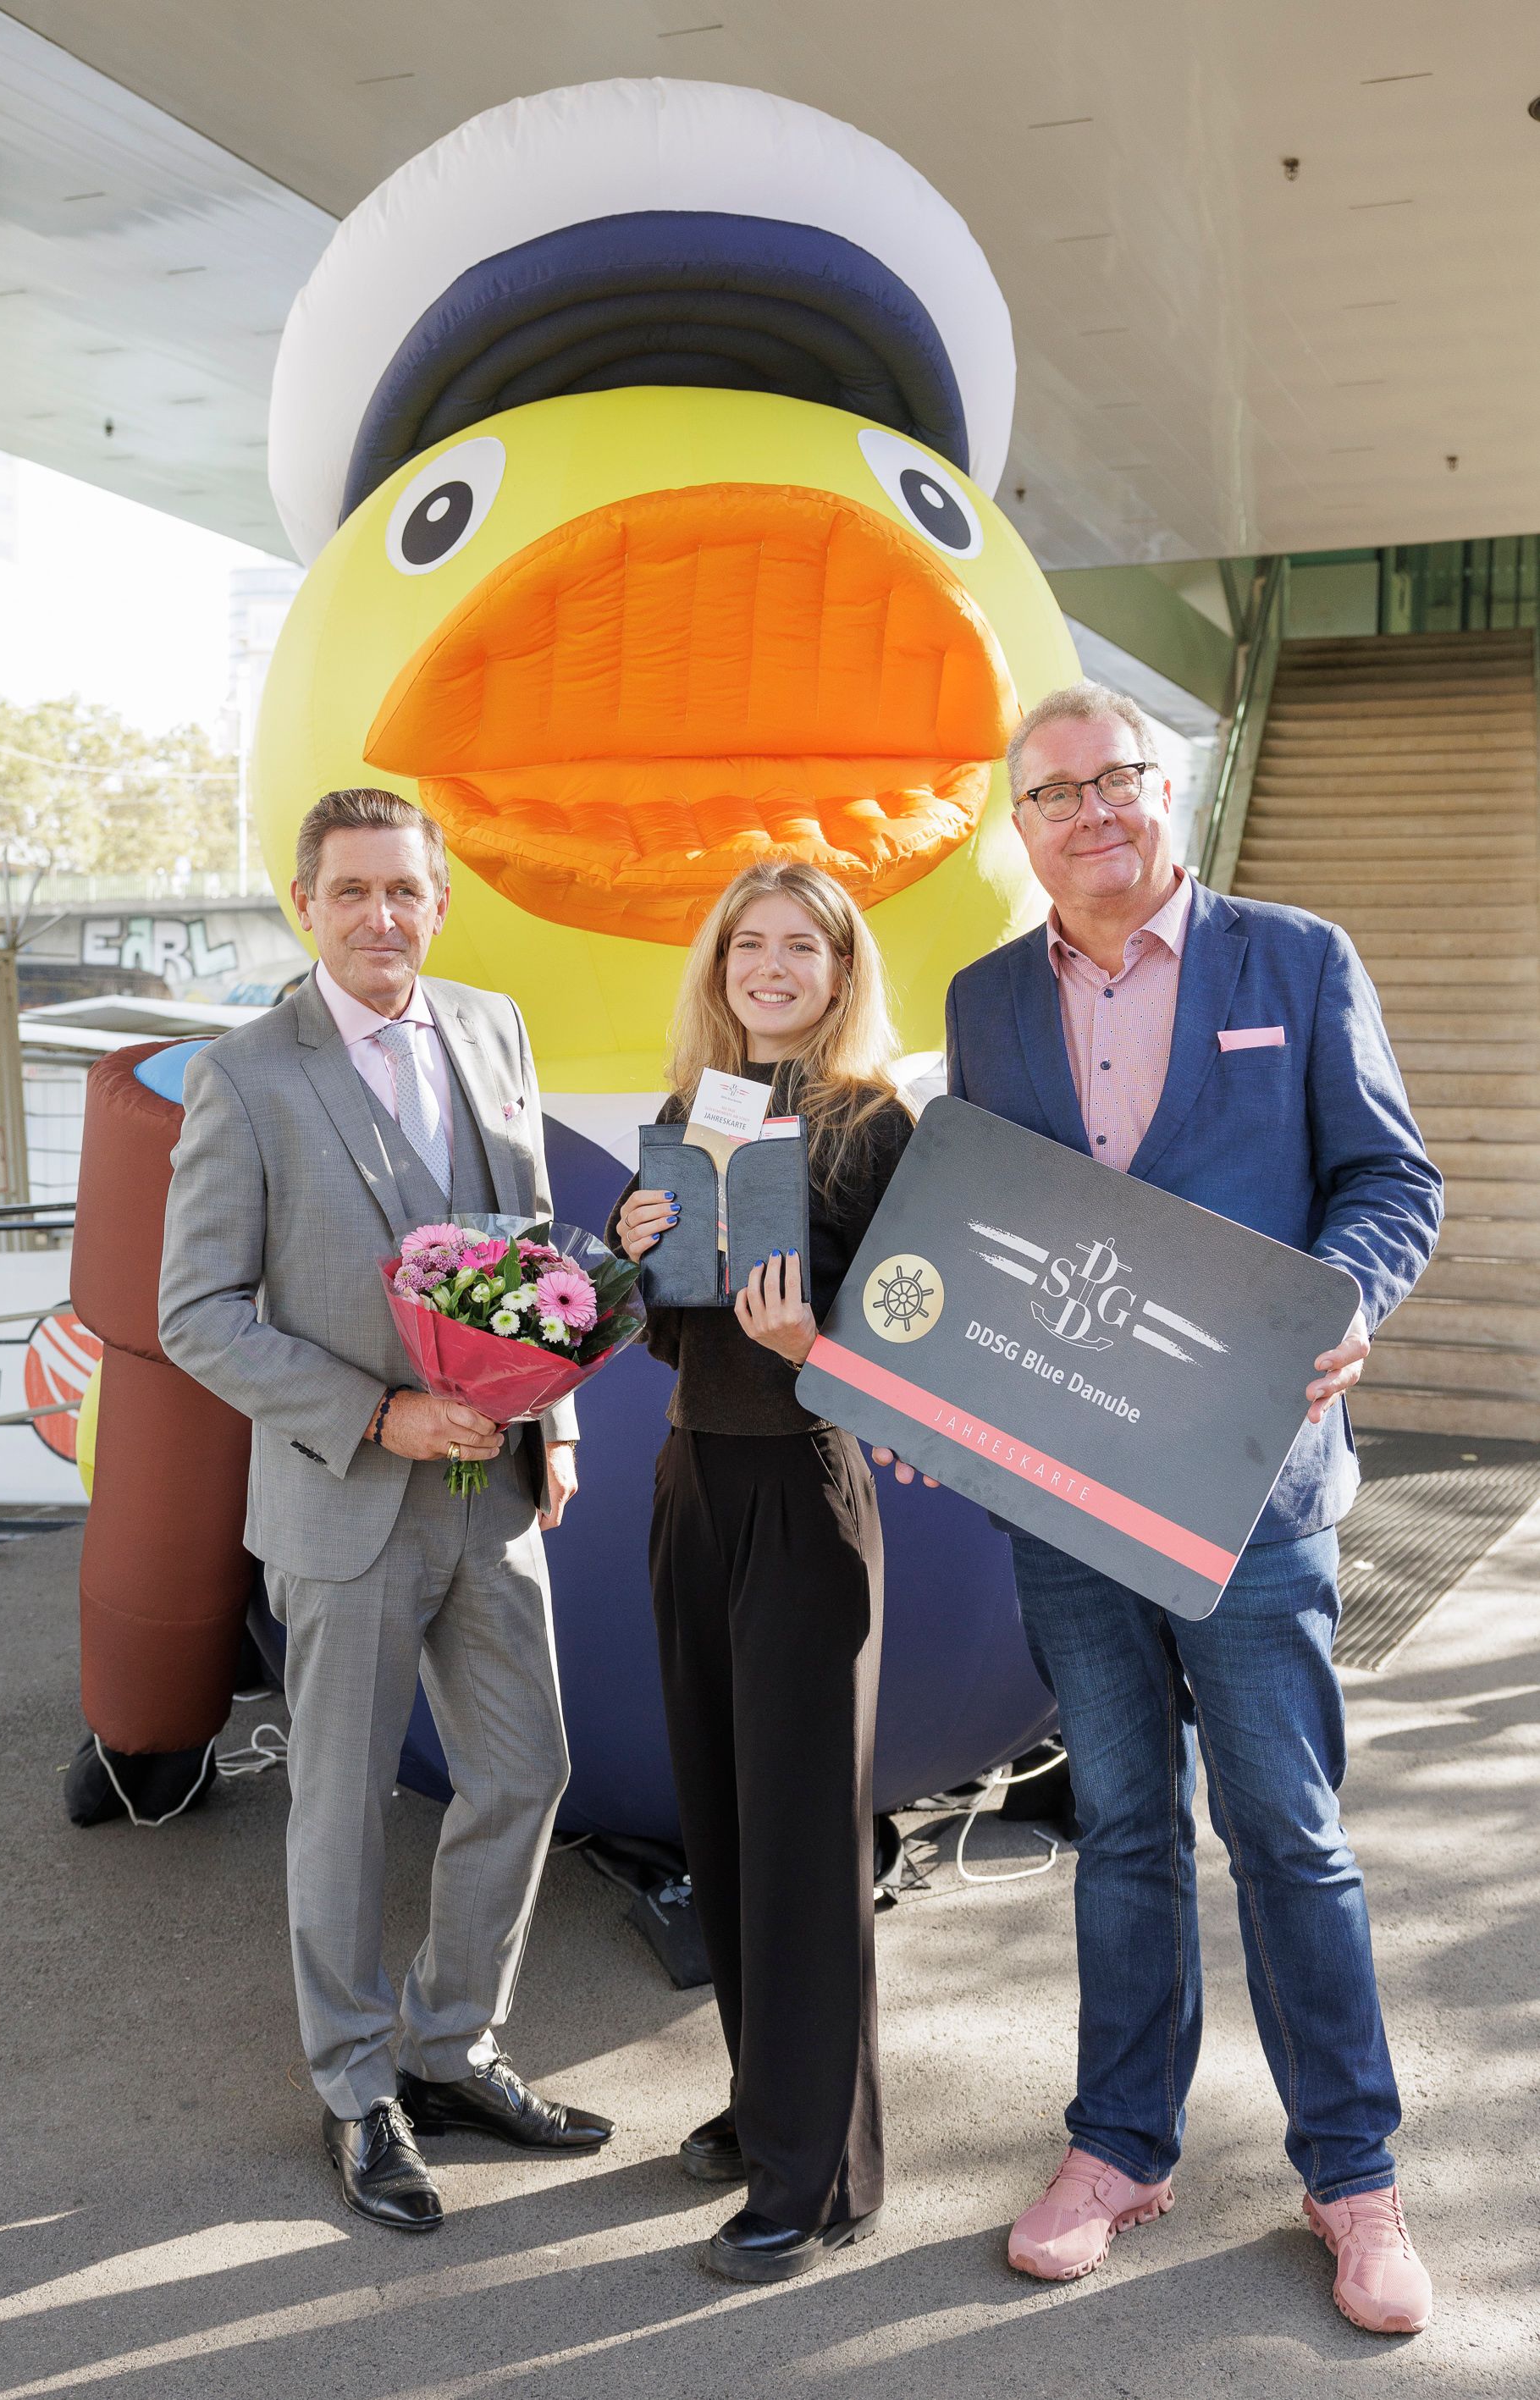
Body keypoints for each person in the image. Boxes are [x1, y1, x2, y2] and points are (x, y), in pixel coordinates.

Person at [930, 681, 1442, 2333]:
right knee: (1124, 1826)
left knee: (1287, 1830)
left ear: (1169, 792)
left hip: (1256, 1487)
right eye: (1054, 793)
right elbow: (984, 1225)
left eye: (1117, 779)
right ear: (1021, 827)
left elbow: (1390, 1177)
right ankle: (1120, 2142)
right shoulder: (987, 997)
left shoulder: (1296, 959)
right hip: (1072, 1493)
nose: (1091, 812)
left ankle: (1354, 2178)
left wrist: (1347, 1298)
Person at [159, 786, 612, 2232]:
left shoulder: (493, 1028)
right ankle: (360, 2091)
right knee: (345, 1814)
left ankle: (451, 2042)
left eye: (404, 891)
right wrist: (375, 1413)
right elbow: (197, 1316)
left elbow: (538, 1249)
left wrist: (559, 1405)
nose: (381, 918)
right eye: (351, 893)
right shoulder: (245, 1074)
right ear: (307, 905)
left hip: (493, 1492)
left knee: (526, 1769)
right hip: (344, 1500)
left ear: (438, 901)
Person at [610, 861, 913, 2284]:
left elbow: (922, 1342)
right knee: (721, 1822)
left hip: (803, 1484)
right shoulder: (689, 1114)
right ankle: (768, 2103)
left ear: (842, 975)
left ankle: (821, 2177)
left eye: (804, 946)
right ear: (718, 966)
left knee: (801, 1840)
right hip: (692, 1481)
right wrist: (633, 1262)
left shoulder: (872, 1126)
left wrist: (824, 1352)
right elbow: (670, 1337)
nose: (773, 966)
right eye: (751, 944)